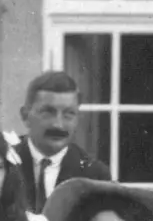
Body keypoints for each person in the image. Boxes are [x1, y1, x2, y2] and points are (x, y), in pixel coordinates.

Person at [9, 70, 109, 213]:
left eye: (69, 114)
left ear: (77, 119)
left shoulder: (95, 175)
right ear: (25, 116)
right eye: (48, 112)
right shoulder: (3, 162)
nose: (58, 125)